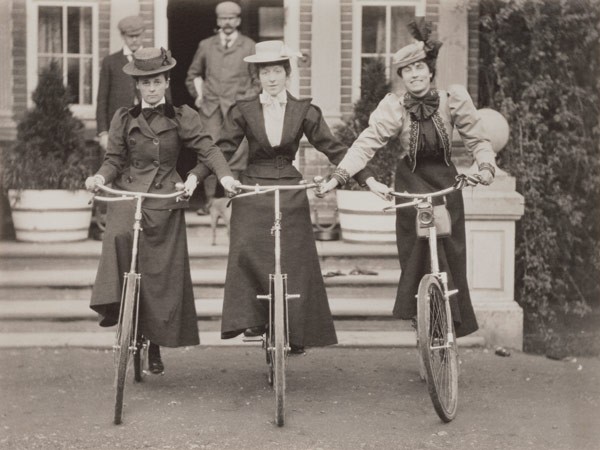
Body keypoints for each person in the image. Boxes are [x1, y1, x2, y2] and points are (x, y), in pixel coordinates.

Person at [319, 19, 497, 338]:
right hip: (411, 181)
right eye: (407, 71)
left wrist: (484, 167)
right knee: (417, 245)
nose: (415, 75)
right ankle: (420, 309)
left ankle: (450, 320)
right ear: (401, 77)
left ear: (430, 70)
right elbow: (367, 141)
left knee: (450, 251)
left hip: (445, 181)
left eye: (419, 68)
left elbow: (478, 139)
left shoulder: (452, 99)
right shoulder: (394, 107)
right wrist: (339, 175)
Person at [85, 48, 239, 374]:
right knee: (117, 235)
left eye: (157, 81)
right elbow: (113, 160)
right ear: (137, 86)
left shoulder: (182, 116)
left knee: (159, 272)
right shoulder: (123, 118)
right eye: (145, 83)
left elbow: (207, 150)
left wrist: (223, 175)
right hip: (130, 192)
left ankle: (154, 342)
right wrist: (99, 177)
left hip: (165, 196)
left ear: (167, 81)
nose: (152, 88)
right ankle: (117, 309)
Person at [211, 40, 357, 353]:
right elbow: (221, 148)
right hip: (253, 187)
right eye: (265, 72)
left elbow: (333, 147)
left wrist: (358, 175)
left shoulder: (304, 110)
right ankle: (253, 317)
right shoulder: (244, 110)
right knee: (245, 245)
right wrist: (220, 178)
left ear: (287, 73)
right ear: (257, 75)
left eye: (277, 70)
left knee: (298, 256)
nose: (272, 78)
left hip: (289, 185)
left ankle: (297, 329)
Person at [185, 1, 256, 215]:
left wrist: (245, 101)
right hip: (210, 110)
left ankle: (230, 201)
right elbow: (192, 75)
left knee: (236, 155)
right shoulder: (206, 45)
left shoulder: (249, 45)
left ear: (238, 21)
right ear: (218, 21)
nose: (227, 23)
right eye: (223, 19)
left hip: (237, 111)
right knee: (208, 152)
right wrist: (199, 96)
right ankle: (208, 203)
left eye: (231, 18)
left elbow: (257, 80)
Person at [96, 15, 146, 151]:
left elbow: (166, 97)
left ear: (143, 34)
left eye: (138, 35)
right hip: (118, 127)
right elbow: (102, 99)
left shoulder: (153, 59)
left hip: (148, 126)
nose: (135, 40)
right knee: (117, 167)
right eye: (130, 36)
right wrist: (103, 132)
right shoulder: (110, 62)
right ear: (123, 36)